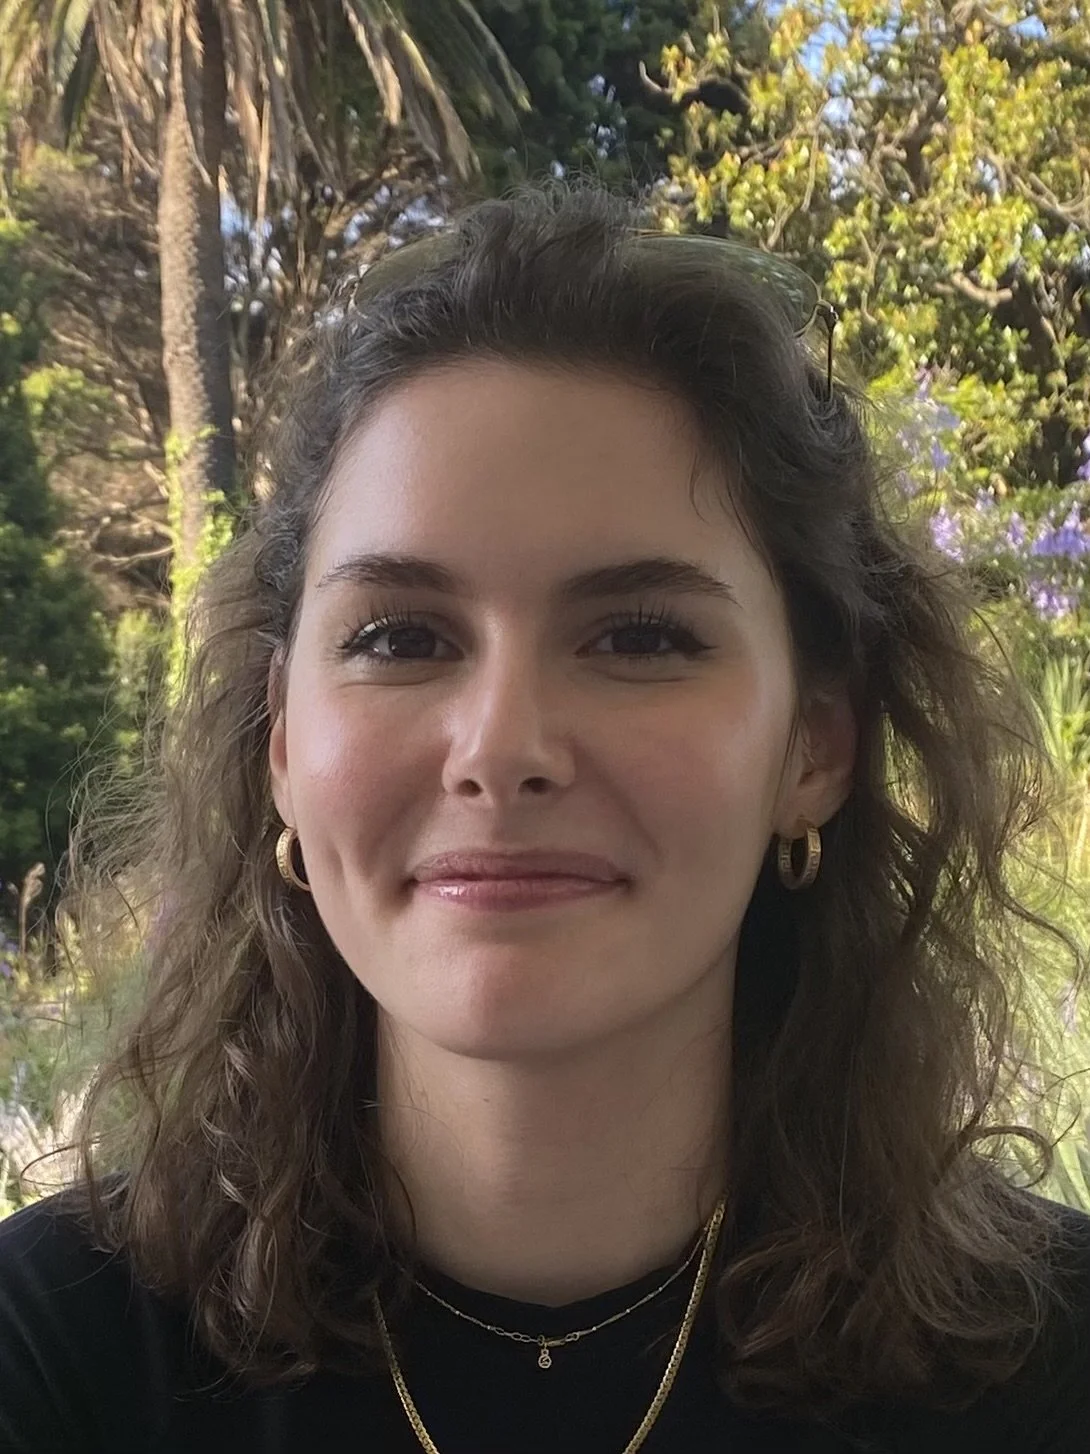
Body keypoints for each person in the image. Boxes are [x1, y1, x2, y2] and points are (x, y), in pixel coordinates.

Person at [1, 180, 1087, 1454]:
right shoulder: (59, 1351)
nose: (502, 746)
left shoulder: (1045, 1364)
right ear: (284, 750)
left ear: (815, 748)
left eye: (637, 634)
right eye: (400, 636)